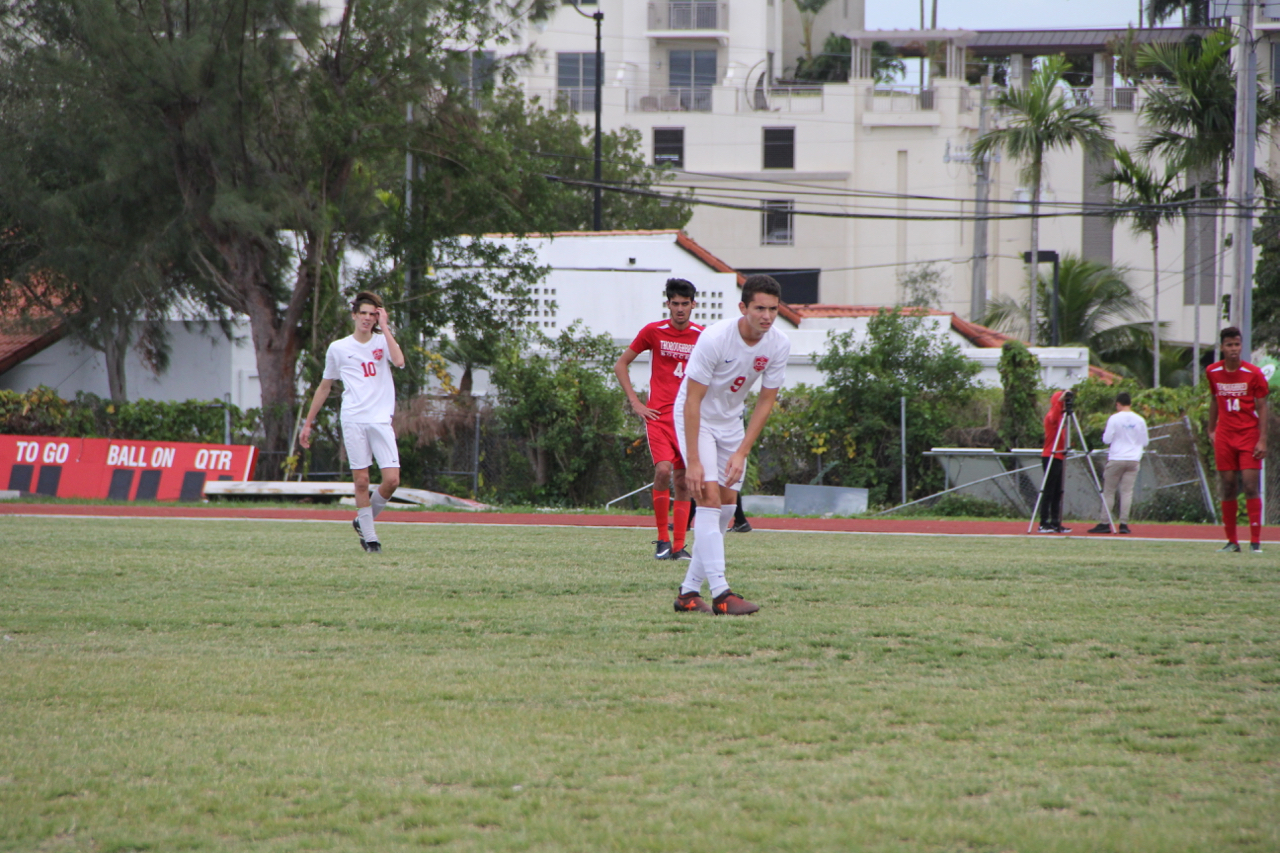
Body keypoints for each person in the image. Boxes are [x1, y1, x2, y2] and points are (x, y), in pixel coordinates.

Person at [672, 274, 790, 615]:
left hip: (730, 424)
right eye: (759, 309)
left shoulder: (779, 344)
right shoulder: (715, 338)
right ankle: (722, 594)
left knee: (725, 508)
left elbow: (766, 401)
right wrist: (693, 460)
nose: (766, 316)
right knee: (707, 500)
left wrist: (742, 452)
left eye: (773, 309)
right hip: (696, 420)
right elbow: (691, 401)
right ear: (743, 307)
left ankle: (687, 594)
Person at [300, 292, 405, 553]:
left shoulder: (382, 342)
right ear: (354, 315)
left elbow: (400, 361)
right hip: (353, 419)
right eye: (364, 314)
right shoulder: (339, 348)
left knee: (392, 480)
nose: (368, 319)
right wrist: (308, 423)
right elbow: (325, 387)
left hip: (380, 420)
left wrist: (386, 327)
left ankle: (362, 521)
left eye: (373, 314)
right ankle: (371, 539)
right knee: (361, 481)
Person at [614, 279, 704, 560]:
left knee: (684, 481)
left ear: (693, 305)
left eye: (684, 304)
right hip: (658, 416)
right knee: (663, 471)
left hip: (687, 419)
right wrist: (636, 403)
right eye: (674, 303)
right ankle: (662, 541)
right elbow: (621, 364)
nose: (679, 309)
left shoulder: (703, 336)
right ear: (668, 304)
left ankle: (679, 546)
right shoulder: (653, 332)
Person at [1206, 326, 1269, 553]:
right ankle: (1232, 542)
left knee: (1251, 486)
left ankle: (1255, 542)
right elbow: (1214, 399)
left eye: (1237, 344)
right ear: (1222, 347)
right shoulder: (1213, 371)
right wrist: (1211, 429)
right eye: (1229, 345)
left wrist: (1262, 439)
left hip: (1248, 435)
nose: (1234, 349)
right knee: (1228, 486)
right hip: (1225, 435)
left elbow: (1262, 406)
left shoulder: (1253, 373)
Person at [1087, 392, 1149, 535]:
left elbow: (1107, 439)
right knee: (1127, 492)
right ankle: (1124, 524)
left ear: (1118, 404)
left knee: (1109, 491)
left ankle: (1105, 522)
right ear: (1130, 404)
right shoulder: (1139, 419)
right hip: (1133, 459)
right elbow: (1145, 441)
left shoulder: (1114, 418)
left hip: (1117, 457)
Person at [1038, 388, 1072, 533]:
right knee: (1049, 490)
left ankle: (1055, 521)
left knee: (1058, 491)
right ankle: (1043, 522)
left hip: (1059, 456)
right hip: (1050, 455)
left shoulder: (1061, 418)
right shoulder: (1052, 415)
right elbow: (1054, 418)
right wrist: (1059, 402)